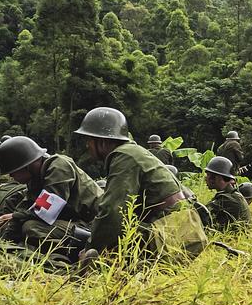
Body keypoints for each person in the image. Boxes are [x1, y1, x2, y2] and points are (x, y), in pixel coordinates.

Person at [75, 107, 206, 264]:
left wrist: (91, 249)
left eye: (88, 140)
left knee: (106, 242)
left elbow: (112, 213)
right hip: (182, 230)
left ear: (101, 141)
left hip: (172, 235)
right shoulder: (133, 152)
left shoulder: (124, 157)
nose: (87, 146)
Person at [0, 136, 102, 261]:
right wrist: (0, 245)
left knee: (32, 227)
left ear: (27, 165)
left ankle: (87, 253)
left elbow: (46, 211)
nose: (11, 176)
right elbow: (23, 211)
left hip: (95, 227)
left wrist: (6, 217)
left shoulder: (59, 166)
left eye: (14, 171)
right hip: (77, 224)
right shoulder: (35, 179)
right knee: (25, 224)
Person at [203, 156, 251, 232]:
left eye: (208, 175)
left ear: (215, 178)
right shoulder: (232, 194)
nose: (206, 178)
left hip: (233, 242)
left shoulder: (227, 199)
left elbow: (200, 212)